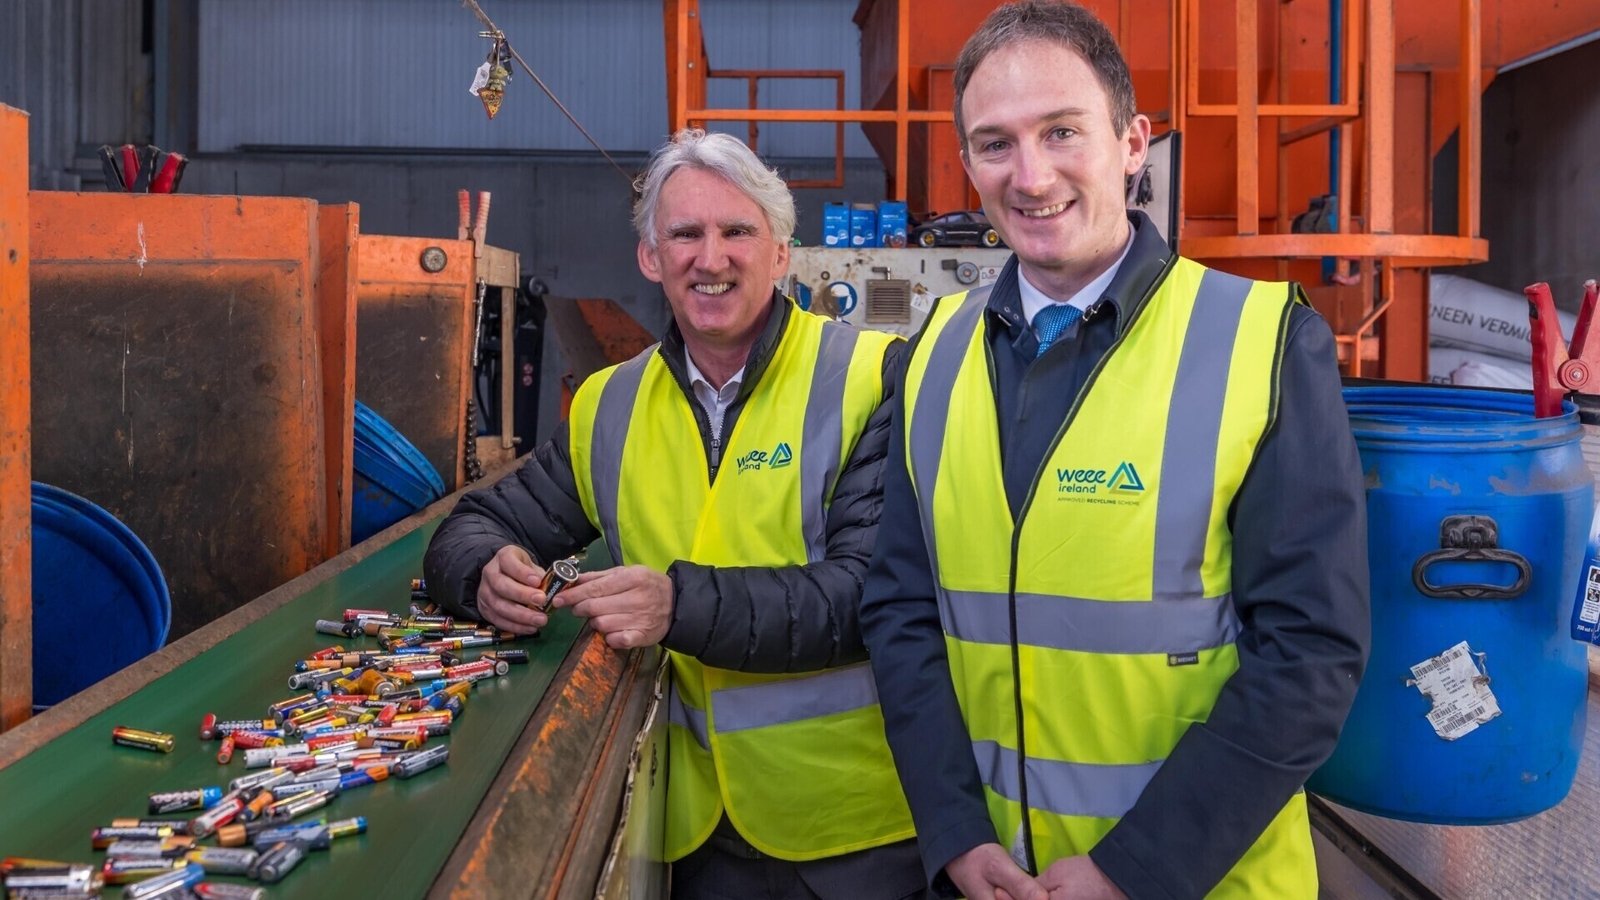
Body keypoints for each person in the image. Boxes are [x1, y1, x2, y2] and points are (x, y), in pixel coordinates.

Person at [858, 3, 1370, 899]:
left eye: (1062, 131)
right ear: (968, 164)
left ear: (1134, 143)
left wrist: (1133, 872)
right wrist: (954, 832)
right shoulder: (934, 351)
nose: (1031, 176)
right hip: (994, 875)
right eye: (995, 144)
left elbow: (1310, 651)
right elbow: (901, 609)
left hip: (1198, 882)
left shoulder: (1261, 340)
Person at [423, 128, 923, 900]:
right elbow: (471, 526)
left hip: (851, 832)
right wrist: (483, 572)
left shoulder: (870, 377)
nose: (710, 258)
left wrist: (675, 605)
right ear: (651, 258)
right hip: (685, 831)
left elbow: (867, 593)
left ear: (781, 253)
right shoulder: (610, 405)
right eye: (685, 234)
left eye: (737, 232)